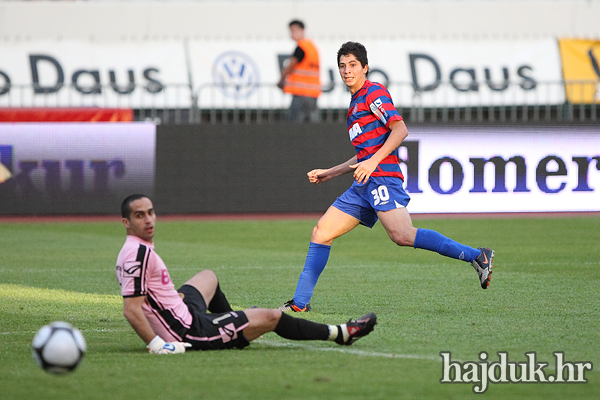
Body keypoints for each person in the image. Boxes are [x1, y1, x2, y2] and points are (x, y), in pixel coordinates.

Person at [279, 42, 494, 313]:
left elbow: (400, 129)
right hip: (363, 183)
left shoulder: (373, 92)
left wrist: (372, 162)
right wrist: (330, 173)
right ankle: (299, 304)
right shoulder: (355, 103)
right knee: (321, 232)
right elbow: (363, 155)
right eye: (342, 66)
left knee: (402, 235)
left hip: (382, 179)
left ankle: (477, 256)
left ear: (365, 68)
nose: (347, 71)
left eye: (353, 65)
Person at [116, 194, 376, 353]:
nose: (148, 220)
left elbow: (150, 298)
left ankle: (233, 322)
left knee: (208, 276)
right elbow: (132, 309)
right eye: (139, 216)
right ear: (127, 223)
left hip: (180, 312)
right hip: (188, 331)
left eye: (150, 213)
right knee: (272, 316)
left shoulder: (136, 248)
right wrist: (158, 345)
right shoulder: (137, 254)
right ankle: (341, 333)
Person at [277, 20, 321, 122]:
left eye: (294, 31)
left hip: (300, 93)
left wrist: (281, 80)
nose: (292, 34)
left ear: (302, 30)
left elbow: (291, 65)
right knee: (311, 123)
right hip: (313, 93)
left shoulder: (301, 47)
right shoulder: (312, 47)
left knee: (296, 124)